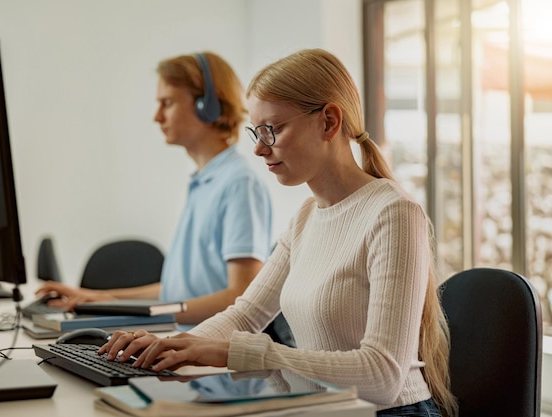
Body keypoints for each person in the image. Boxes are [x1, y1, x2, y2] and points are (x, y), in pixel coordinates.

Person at [99, 49, 459, 416]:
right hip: (322, 408)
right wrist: (175, 345)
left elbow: (383, 378)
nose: (258, 148)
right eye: (257, 131)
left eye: (273, 129)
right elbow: (245, 314)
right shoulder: (306, 217)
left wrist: (238, 352)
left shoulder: (393, 213)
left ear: (329, 122)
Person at [36, 52, 273, 331]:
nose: (157, 116)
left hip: (218, 368)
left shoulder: (238, 183)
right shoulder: (203, 183)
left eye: (167, 103)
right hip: (187, 350)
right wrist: (104, 298)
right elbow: (178, 292)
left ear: (206, 107)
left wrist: (152, 313)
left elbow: (240, 296)